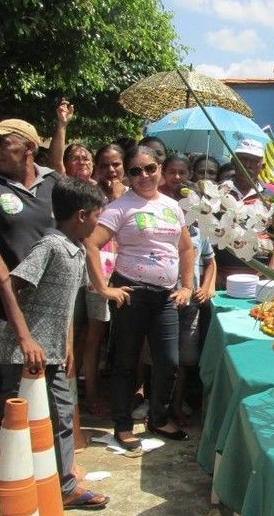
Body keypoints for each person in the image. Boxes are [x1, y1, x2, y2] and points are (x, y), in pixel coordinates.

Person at [0, 177, 109, 509]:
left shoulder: (76, 250)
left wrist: (68, 347)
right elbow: (12, 285)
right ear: (81, 215)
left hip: (55, 356)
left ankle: (63, 485)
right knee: (16, 422)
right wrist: (25, 339)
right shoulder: (51, 246)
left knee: (61, 416)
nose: (97, 224)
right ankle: (9, 486)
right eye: (96, 217)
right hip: (24, 355)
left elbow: (67, 308)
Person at [84, 145, 195, 449]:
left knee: (169, 362)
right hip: (130, 294)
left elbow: (185, 248)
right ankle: (122, 424)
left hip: (165, 299)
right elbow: (91, 244)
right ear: (128, 176)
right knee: (124, 362)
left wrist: (186, 286)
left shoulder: (172, 207)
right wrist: (104, 288)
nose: (144, 175)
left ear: (159, 169)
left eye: (150, 168)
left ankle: (157, 418)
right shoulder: (120, 207)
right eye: (135, 170)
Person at [0, 119, 59, 428]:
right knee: (8, 390)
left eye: (4, 143)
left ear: (29, 147)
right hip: (3, 308)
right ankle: (4, 469)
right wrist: (21, 331)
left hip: (49, 309)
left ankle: (54, 466)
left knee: (50, 390)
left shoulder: (55, 183)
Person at [159, 155, 216, 422]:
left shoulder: (201, 232)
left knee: (185, 360)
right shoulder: (165, 228)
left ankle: (177, 405)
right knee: (162, 357)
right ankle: (157, 404)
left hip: (191, 303)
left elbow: (210, 261)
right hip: (167, 299)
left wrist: (207, 286)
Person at [81, 143, 128, 417]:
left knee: (126, 337)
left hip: (127, 270)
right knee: (94, 336)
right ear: (97, 168)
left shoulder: (134, 194)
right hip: (97, 272)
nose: (110, 170)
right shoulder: (89, 194)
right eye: (104, 165)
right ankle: (91, 394)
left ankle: (130, 394)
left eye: (116, 164)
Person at [216, 139, 274, 284]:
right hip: (221, 276)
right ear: (234, 162)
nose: (247, 165)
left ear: (262, 166)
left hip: (259, 277)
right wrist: (212, 274)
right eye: (243, 159)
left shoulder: (271, 198)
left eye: (254, 161)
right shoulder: (218, 192)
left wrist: (272, 270)